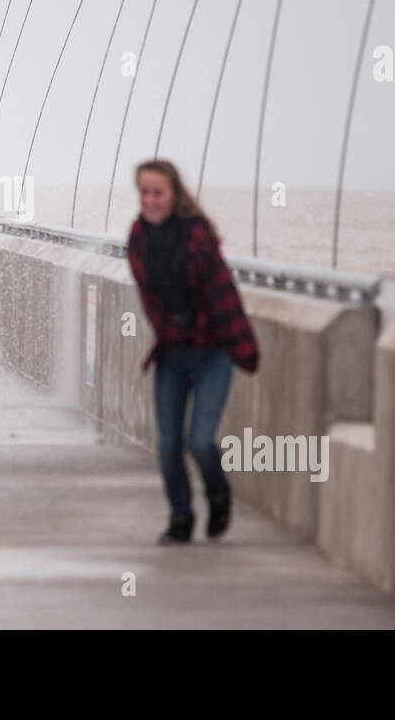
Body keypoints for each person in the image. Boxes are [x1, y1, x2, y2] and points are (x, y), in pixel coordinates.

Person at [125, 159, 259, 545]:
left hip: (213, 353)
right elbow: (151, 297)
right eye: (144, 192)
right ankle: (180, 517)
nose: (150, 200)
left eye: (158, 193)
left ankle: (218, 493)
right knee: (168, 443)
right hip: (172, 354)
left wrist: (243, 348)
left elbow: (224, 296)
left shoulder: (197, 236)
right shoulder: (139, 236)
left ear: (173, 194)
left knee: (199, 440)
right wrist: (172, 331)